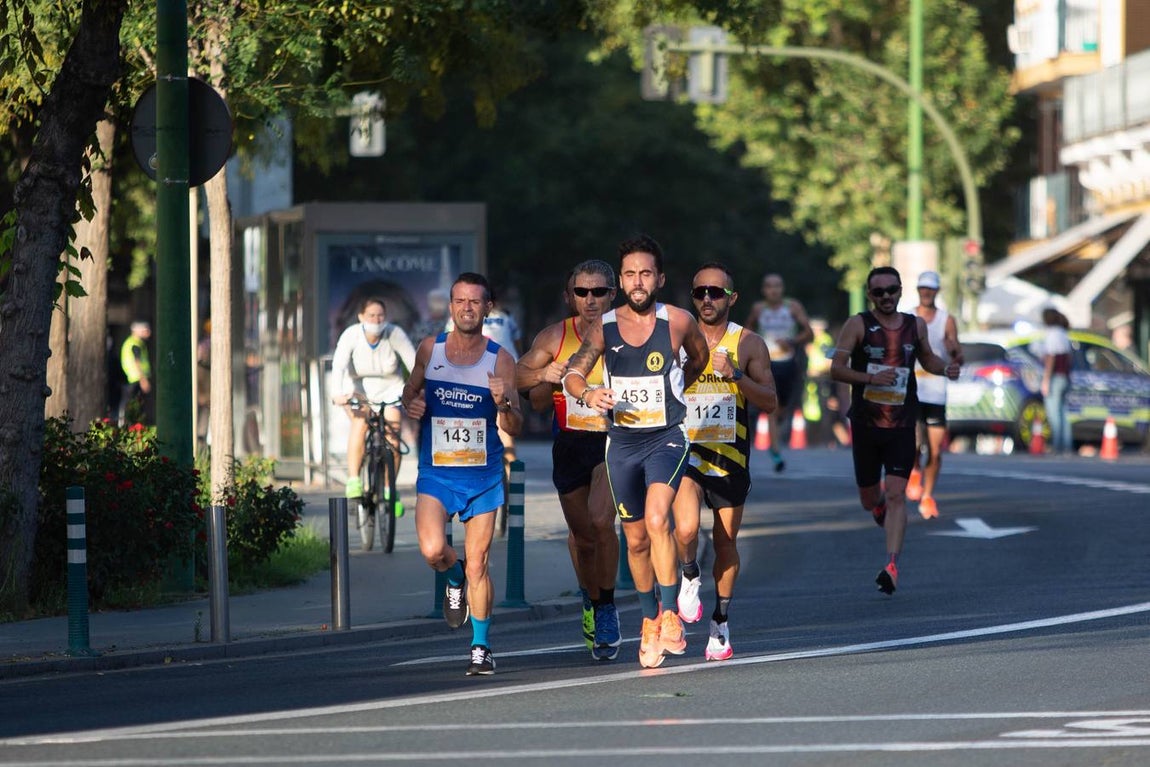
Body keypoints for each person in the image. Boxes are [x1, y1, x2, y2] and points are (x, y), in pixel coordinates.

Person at [561, 234, 709, 668]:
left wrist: (676, 390)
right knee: (636, 538)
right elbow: (573, 372)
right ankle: (648, 620)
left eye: (646, 273)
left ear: (659, 278)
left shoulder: (678, 321)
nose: (638, 281)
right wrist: (587, 393)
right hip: (622, 443)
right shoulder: (604, 326)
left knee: (660, 517)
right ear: (622, 282)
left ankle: (668, 614)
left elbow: (697, 360)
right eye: (630, 274)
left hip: (666, 437)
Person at [401, 273, 523, 676]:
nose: (467, 308)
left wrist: (503, 403)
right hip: (437, 473)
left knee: (479, 565)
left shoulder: (500, 359)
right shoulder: (429, 349)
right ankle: (453, 579)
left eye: (475, 302)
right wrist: (413, 405)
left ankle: (481, 646)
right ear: (450, 306)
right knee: (434, 550)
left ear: (488, 308)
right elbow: (410, 392)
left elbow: (516, 424)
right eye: (460, 301)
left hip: (483, 476)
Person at [829, 267, 960, 595]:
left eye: (891, 290)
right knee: (870, 498)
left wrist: (946, 369)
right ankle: (878, 510)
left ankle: (891, 565)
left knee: (898, 493)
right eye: (879, 292)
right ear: (870, 295)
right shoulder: (858, 324)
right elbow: (837, 369)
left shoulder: (914, 325)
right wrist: (872, 379)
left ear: (901, 292)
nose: (886, 297)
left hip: (903, 422)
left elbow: (927, 359)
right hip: (866, 423)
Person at [671, 263, 777, 661]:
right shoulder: (677, 340)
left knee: (725, 541)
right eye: (700, 293)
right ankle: (689, 572)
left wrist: (735, 376)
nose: (707, 300)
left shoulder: (749, 344)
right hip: (686, 451)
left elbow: (770, 401)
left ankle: (721, 621)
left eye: (716, 292)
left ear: (732, 298)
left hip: (730, 458)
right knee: (684, 529)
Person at [516, 260, 621, 661]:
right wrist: (544, 376)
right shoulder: (555, 336)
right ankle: (590, 598)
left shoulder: (626, 330)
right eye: (582, 292)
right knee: (581, 537)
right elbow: (519, 377)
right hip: (570, 442)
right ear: (570, 296)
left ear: (613, 294)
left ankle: (607, 607)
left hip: (613, 442)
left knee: (600, 522)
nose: (590, 299)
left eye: (599, 292)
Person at [330, 297, 417, 508]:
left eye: (380, 316)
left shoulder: (394, 334)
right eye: (371, 315)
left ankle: (389, 487)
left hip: (391, 390)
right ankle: (353, 480)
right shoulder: (351, 335)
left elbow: (414, 363)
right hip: (361, 391)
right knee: (360, 424)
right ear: (361, 317)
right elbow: (339, 365)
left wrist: (415, 392)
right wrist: (337, 393)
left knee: (394, 437)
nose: (376, 320)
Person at [904, 271, 963, 519]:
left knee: (936, 451)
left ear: (937, 292)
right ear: (918, 290)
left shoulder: (946, 320)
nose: (926, 293)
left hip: (936, 390)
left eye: (931, 289)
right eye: (923, 289)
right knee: (916, 443)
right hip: (912, 386)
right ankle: (914, 469)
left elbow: (957, 353)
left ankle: (928, 496)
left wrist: (954, 353)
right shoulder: (907, 317)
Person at [744, 273, 813, 472]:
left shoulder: (792, 307)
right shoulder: (758, 309)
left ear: (782, 289)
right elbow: (746, 332)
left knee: (782, 408)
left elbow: (809, 332)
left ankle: (776, 435)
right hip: (767, 364)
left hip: (788, 364)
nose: (773, 290)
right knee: (772, 408)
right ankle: (775, 452)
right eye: (769, 286)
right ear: (764, 290)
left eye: (777, 286)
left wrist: (792, 341)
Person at [1038, 306, 1073, 455]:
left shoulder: (1052, 335)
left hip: (1055, 377)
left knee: (1054, 413)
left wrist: (1046, 380)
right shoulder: (1064, 334)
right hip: (1065, 376)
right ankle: (1066, 445)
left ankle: (1057, 445)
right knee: (1063, 412)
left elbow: (1051, 358)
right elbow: (1069, 357)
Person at [119, 321, 152, 426]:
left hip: (133, 379)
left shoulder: (132, 342)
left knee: (133, 406)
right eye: (145, 330)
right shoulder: (135, 343)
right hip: (135, 380)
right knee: (135, 407)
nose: (148, 333)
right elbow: (137, 361)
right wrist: (143, 379)